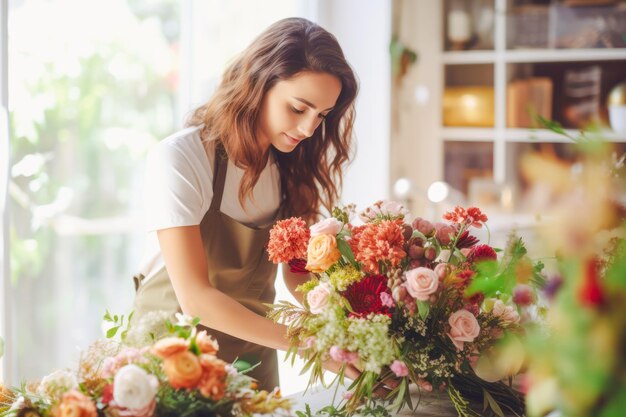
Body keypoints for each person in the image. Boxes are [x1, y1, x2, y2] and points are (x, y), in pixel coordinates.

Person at [131, 17, 359, 390]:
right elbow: (196, 299)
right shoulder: (183, 158)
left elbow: (297, 272)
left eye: (322, 116)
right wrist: (309, 345)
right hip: (174, 357)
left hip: (254, 352)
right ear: (259, 84)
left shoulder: (291, 167)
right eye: (298, 108)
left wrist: (349, 324)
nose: (308, 129)